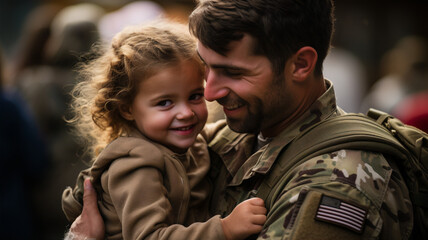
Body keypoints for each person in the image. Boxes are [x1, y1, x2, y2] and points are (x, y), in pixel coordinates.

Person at [68, 0, 413, 239]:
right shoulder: (221, 140)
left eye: (232, 72)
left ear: (300, 65)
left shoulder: (338, 181)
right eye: (206, 69)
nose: (212, 91)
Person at [62, 20, 266, 240]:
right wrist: (224, 229)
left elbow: (213, 132)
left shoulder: (181, 142)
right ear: (127, 109)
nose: (186, 113)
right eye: (165, 103)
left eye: (195, 96)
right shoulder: (135, 165)